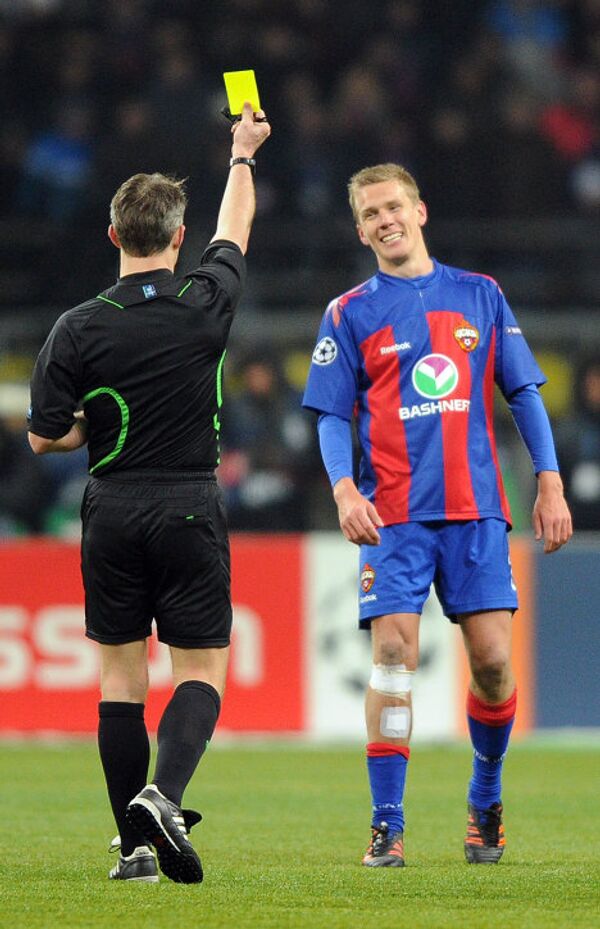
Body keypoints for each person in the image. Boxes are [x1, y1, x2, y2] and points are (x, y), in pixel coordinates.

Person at [302, 163, 572, 868]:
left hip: (476, 510)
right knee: (392, 657)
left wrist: (549, 481)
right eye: (370, 213)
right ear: (360, 229)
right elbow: (332, 415)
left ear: (420, 212)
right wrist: (343, 489)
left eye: (393, 206)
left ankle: (486, 797)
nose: (384, 219)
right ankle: (386, 824)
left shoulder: (479, 294)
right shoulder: (348, 312)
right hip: (392, 515)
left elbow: (525, 394)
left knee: (491, 665)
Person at [27, 102, 270, 884]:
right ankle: (164, 794)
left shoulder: (76, 328)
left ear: (111, 236)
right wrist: (242, 153)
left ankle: (132, 849)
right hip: (191, 502)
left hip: (111, 507)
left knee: (120, 679)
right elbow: (235, 226)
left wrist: (94, 425)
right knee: (199, 671)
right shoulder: (205, 304)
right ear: (176, 238)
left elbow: (43, 435)